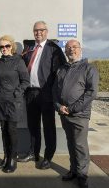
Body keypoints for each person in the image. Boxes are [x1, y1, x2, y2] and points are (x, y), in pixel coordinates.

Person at [18, 21, 66, 169]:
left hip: (46, 94)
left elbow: (60, 73)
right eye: (35, 30)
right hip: (31, 93)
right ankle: (33, 152)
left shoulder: (54, 49)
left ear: (46, 31)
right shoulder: (29, 48)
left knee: (48, 127)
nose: (38, 32)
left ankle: (48, 157)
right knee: (33, 126)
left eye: (41, 30)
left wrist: (55, 94)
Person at [53, 39, 98, 188]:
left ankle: (82, 175)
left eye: (74, 47)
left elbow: (91, 92)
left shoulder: (88, 68)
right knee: (71, 144)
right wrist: (58, 106)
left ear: (80, 49)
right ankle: (73, 170)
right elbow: (54, 91)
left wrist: (72, 108)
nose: (71, 50)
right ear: (65, 52)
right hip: (64, 114)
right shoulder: (62, 69)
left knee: (80, 145)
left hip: (79, 115)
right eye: (68, 48)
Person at [0, 35, 30, 173]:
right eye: (1, 47)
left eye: (7, 46)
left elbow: (25, 81)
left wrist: (17, 93)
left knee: (12, 131)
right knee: (4, 130)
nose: (4, 49)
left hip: (14, 102)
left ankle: (13, 160)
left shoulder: (18, 61)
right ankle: (6, 156)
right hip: (1, 101)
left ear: (12, 47)